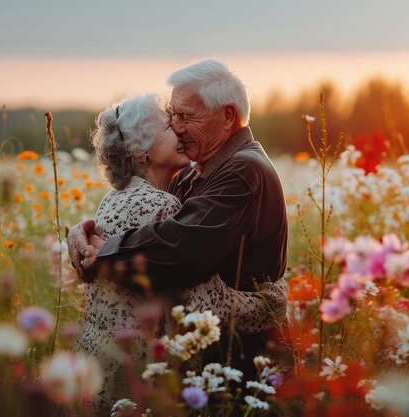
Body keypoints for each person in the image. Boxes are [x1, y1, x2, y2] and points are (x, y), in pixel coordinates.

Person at [69, 58, 288, 379]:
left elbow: (183, 248)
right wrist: (86, 235)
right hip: (195, 359)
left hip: (242, 362)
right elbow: (155, 228)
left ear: (228, 116)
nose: (178, 127)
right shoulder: (191, 172)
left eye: (186, 116)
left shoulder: (244, 169)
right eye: (173, 117)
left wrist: (104, 249)